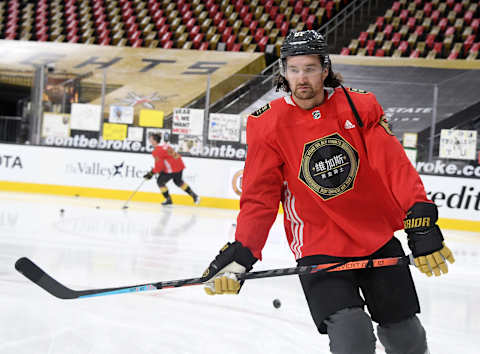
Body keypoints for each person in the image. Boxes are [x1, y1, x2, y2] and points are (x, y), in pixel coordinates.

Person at [201, 30, 455, 354]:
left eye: (309, 68)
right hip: (319, 246)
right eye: (293, 70)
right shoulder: (267, 124)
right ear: (283, 72)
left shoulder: (359, 106)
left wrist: (419, 215)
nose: (301, 78)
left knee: (406, 337)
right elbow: (260, 198)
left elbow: (394, 166)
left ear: (325, 69)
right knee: (353, 336)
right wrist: (242, 253)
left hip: (375, 238)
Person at [143, 132, 200, 206]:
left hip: (172, 169)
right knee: (178, 182)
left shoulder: (156, 151)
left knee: (160, 182)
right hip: (179, 166)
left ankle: (168, 199)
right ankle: (195, 196)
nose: (149, 140)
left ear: (154, 141)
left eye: (150, 139)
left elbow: (159, 167)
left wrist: (151, 173)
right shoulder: (165, 145)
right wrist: (154, 172)